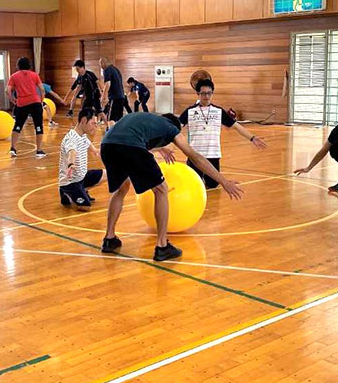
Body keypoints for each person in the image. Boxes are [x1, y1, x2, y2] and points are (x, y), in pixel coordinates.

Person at [100, 112, 244, 261]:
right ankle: (162, 246)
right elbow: (194, 156)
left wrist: (160, 149)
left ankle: (109, 239)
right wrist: (223, 181)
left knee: (121, 188)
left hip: (107, 146)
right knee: (161, 189)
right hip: (130, 146)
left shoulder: (148, 119)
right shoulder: (171, 128)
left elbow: (135, 135)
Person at [179, 76, 267, 189]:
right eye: (203, 93)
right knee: (193, 184)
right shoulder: (189, 111)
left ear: (212, 93)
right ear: (198, 94)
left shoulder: (219, 112)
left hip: (213, 155)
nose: (206, 96)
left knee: (213, 185)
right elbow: (176, 128)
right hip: (195, 155)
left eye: (209, 93)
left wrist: (252, 138)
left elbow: (236, 126)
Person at [58, 108, 104, 210]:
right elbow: (72, 152)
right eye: (93, 123)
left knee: (107, 174)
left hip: (81, 177)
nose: (95, 126)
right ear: (83, 120)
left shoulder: (82, 135)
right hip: (71, 182)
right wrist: (71, 164)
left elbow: (89, 144)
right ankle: (66, 191)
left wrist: (97, 151)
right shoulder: (71, 138)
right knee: (86, 207)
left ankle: (81, 190)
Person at [7, 57, 46, 158]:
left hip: (22, 103)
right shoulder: (34, 75)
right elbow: (42, 90)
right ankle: (39, 150)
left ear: (18, 65)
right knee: (38, 126)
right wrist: (41, 100)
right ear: (29, 65)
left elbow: (8, 90)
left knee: (18, 125)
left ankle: (13, 148)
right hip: (35, 102)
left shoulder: (14, 76)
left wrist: (12, 99)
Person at [99, 57, 130, 128]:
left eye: (100, 64)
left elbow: (107, 84)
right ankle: (119, 133)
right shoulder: (116, 69)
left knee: (111, 119)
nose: (100, 66)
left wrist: (104, 96)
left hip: (114, 97)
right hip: (122, 97)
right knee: (118, 119)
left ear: (103, 63)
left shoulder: (107, 69)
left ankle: (111, 133)